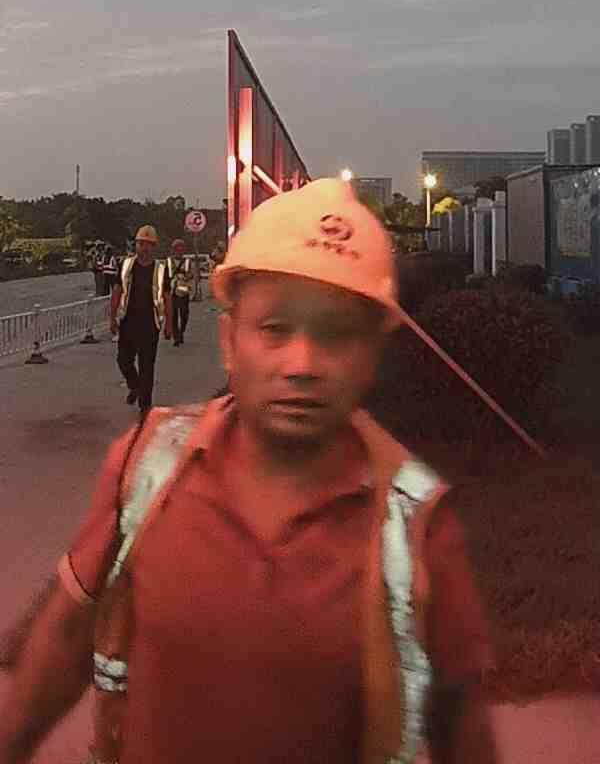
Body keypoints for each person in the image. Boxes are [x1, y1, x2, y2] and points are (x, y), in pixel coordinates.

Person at [0, 180, 496, 764]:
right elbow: (64, 636)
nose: (303, 365)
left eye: (337, 334)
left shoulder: (418, 529)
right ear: (229, 342)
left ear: (372, 356)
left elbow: (464, 729)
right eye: (275, 328)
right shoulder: (147, 464)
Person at [110, 225, 172, 414]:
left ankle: (145, 405)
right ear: (136, 245)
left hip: (150, 323)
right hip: (128, 322)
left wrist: (169, 324)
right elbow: (117, 291)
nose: (144, 248)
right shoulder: (126, 265)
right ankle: (134, 385)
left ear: (154, 247)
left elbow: (167, 296)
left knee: (147, 366)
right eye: (141, 243)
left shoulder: (161, 269)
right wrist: (112, 317)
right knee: (123, 360)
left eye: (148, 244)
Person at [166, 239, 195, 346]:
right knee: (173, 315)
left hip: (183, 292)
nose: (179, 251)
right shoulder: (169, 262)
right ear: (173, 250)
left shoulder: (187, 262)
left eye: (181, 249)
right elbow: (165, 276)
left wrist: (186, 276)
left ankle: (181, 332)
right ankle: (176, 337)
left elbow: (192, 275)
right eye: (177, 249)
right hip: (172, 292)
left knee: (184, 315)